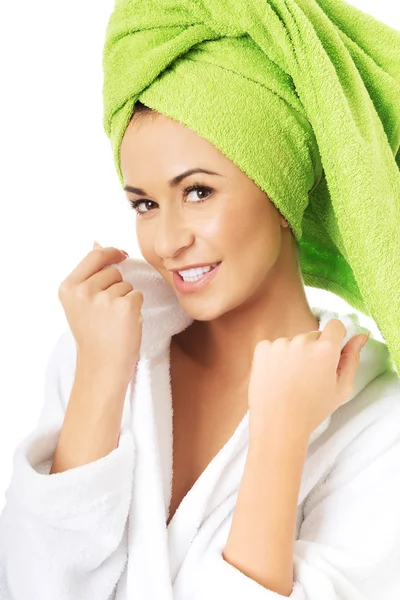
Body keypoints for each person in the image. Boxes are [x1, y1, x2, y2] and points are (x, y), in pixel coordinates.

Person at [1, 0, 400, 598]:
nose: (166, 240)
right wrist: (100, 379)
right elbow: (31, 587)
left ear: (280, 185)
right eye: (145, 203)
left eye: (197, 192)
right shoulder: (105, 346)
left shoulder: (378, 427)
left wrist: (280, 436)